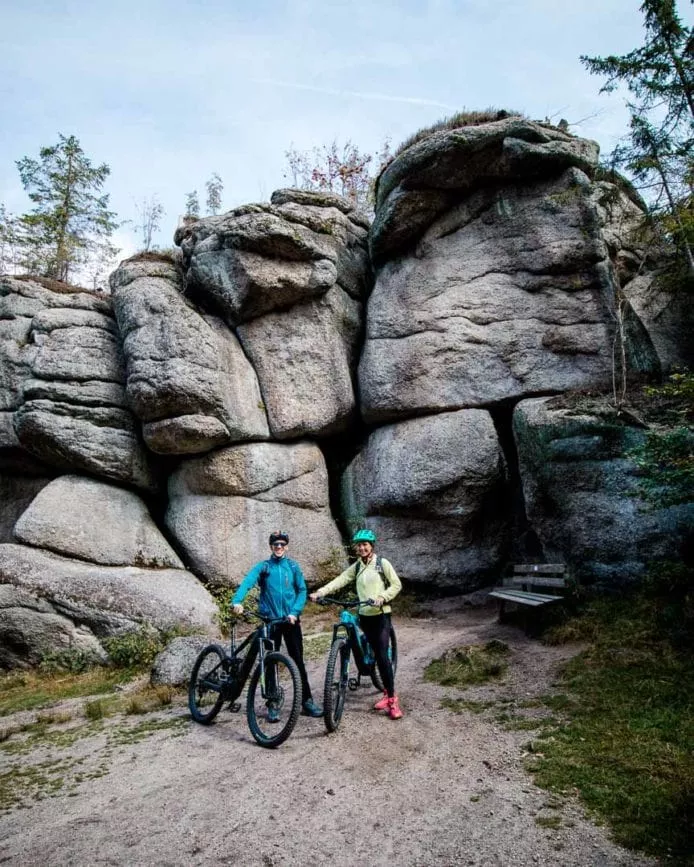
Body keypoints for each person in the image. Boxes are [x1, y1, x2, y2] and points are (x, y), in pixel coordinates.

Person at [309, 528, 403, 720]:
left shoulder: (381, 563)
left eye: (365, 545)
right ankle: (361, 664)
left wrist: (382, 597)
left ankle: (391, 698)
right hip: (364, 614)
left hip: (380, 615)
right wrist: (321, 592)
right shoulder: (358, 567)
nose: (361, 548)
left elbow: (396, 584)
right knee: (362, 640)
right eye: (359, 545)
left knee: (382, 656)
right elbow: (341, 579)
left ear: (371, 546)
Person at [232, 531, 322, 719]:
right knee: (270, 662)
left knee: (297, 661)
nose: (279, 548)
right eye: (275, 545)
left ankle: (307, 701)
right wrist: (237, 601)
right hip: (270, 621)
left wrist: (294, 612)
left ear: (287, 547)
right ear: (271, 547)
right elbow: (248, 582)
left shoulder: (293, 566)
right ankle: (273, 703)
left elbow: (302, 591)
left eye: (282, 545)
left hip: (290, 621)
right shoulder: (264, 567)